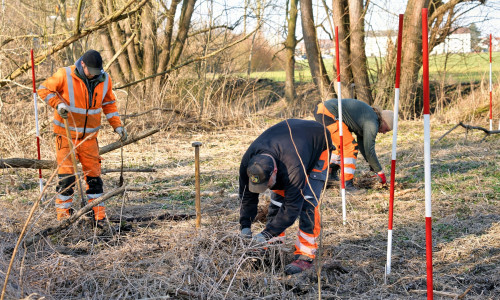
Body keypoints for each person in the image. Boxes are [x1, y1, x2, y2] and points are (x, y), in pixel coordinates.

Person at [38, 50, 127, 222]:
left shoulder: (105, 79)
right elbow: (43, 90)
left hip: (89, 139)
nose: (94, 75)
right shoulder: (64, 74)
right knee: (67, 179)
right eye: (91, 71)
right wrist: (58, 105)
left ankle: (98, 216)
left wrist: (118, 126)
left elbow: (108, 104)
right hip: (66, 136)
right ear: (83, 65)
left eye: (97, 72)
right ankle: (63, 218)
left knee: (94, 178)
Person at [239, 119, 334, 275]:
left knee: (307, 203)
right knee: (276, 202)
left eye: (266, 184)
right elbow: (247, 197)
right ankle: (274, 248)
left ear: (274, 171)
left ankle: (305, 254)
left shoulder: (293, 167)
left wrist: (266, 233)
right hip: (289, 144)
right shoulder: (248, 164)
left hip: (318, 143)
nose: (264, 189)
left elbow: (292, 208)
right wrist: (245, 227)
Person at [313, 98, 393, 192]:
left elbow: (363, 145)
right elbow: (369, 150)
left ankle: (329, 175)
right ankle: (347, 184)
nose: (384, 133)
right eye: (386, 129)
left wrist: (372, 165)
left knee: (339, 147)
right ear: (383, 121)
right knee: (350, 147)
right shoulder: (372, 123)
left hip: (322, 110)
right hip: (328, 113)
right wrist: (379, 171)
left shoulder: (369, 118)